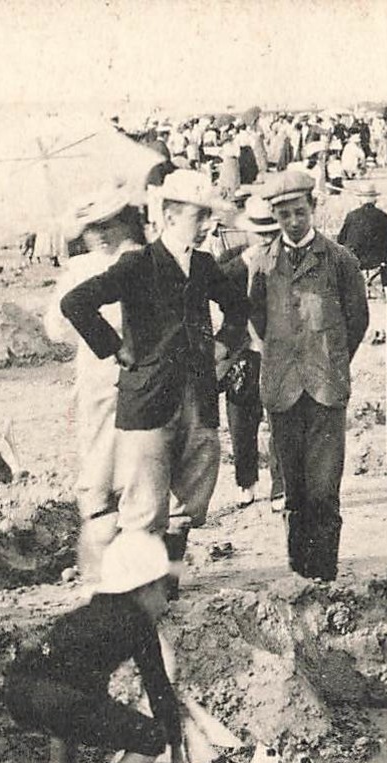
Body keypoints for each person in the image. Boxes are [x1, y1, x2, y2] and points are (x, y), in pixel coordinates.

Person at [60, 169, 249, 587]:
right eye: (197, 217)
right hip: (147, 402)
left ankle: (171, 584)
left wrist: (223, 346)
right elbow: (77, 303)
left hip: (198, 399)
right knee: (144, 506)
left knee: (191, 497)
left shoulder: (203, 266)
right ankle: (139, 591)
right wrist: (115, 349)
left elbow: (239, 309)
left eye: (208, 218)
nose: (206, 227)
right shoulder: (138, 264)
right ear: (168, 216)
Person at [2, 532, 186, 763]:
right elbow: (160, 693)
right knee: (149, 735)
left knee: (69, 711)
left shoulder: (89, 613)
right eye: (164, 589)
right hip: (54, 696)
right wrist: (177, 752)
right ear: (143, 588)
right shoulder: (137, 621)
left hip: (19, 689)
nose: (167, 600)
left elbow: (72, 686)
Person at [253, 169, 370, 581]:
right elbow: (256, 319)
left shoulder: (339, 260)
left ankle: (324, 574)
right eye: (283, 215)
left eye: (299, 212)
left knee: (323, 490)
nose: (293, 222)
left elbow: (357, 320)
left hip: (324, 389)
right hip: (282, 390)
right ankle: (298, 573)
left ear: (314, 208)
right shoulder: (262, 262)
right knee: (294, 492)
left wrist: (331, 360)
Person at [45, 185, 146, 583]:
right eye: (92, 227)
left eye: (109, 224)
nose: (101, 234)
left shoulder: (140, 261)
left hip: (140, 374)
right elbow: (55, 326)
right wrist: (92, 329)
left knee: (140, 467)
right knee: (99, 465)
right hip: (97, 377)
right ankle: (100, 565)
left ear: (124, 222)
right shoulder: (78, 269)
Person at [220, 194, 283, 510]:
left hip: (278, 349)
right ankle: (246, 482)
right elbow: (211, 282)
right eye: (261, 233)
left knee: (281, 421)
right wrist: (246, 260)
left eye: (272, 233)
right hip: (243, 351)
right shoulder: (234, 256)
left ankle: (281, 487)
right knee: (241, 421)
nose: (266, 240)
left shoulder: (287, 258)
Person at [336, 182, 387, 294]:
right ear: (375, 200)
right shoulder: (383, 216)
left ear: (360, 200)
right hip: (377, 259)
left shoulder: (352, 216)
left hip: (354, 258)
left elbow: (341, 238)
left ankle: (345, 291)